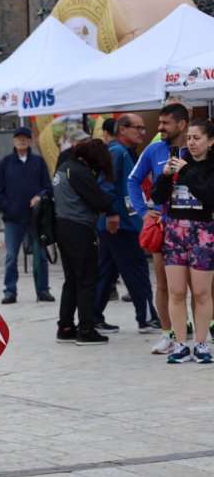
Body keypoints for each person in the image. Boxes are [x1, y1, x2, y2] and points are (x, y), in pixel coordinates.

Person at [128, 103, 190, 354]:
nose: (159, 127)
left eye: (165, 123)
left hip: (197, 225)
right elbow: (133, 180)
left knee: (202, 287)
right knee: (165, 286)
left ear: (182, 124)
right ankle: (168, 335)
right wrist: (144, 213)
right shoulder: (154, 150)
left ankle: (202, 335)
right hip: (164, 228)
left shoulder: (199, 148)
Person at [150, 118, 214, 363]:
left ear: (211, 141)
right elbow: (158, 197)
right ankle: (180, 344)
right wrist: (165, 175)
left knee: (201, 292)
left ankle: (200, 344)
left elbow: (209, 195)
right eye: (189, 137)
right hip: (175, 231)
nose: (192, 142)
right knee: (176, 291)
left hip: (204, 231)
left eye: (197, 138)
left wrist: (185, 170)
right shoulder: (176, 162)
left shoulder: (205, 166)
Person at [92, 114, 159, 335]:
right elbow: (105, 183)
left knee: (106, 272)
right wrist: (111, 213)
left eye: (143, 128)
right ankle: (147, 318)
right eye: (137, 128)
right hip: (119, 224)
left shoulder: (123, 152)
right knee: (137, 270)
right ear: (122, 129)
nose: (142, 132)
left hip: (118, 222)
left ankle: (92, 317)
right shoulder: (117, 152)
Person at [53, 139, 116, 345]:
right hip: (79, 229)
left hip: (62, 226)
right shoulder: (80, 172)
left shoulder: (64, 167)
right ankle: (86, 329)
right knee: (87, 279)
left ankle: (66, 327)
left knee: (71, 279)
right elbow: (100, 201)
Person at [0, 127, 54, 304]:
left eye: (25, 138)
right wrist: (8, 207)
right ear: (13, 141)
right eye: (18, 137)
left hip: (36, 219)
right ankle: (10, 291)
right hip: (13, 219)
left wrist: (40, 197)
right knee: (11, 256)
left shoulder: (38, 162)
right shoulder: (5, 163)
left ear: (30, 141)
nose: (21, 140)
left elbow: (48, 188)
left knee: (41, 255)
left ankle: (43, 290)